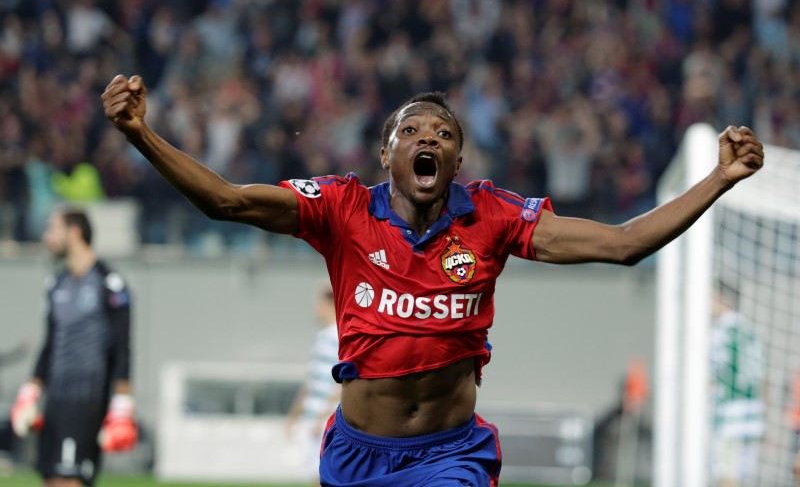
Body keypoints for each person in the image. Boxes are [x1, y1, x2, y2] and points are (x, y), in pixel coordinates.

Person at [102, 74, 764, 486]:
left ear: (455, 158)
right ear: (385, 153)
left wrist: (719, 179)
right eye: (410, 129)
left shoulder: (495, 217)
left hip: (451, 457)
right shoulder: (341, 208)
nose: (428, 137)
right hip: (357, 457)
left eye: (442, 132)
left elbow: (622, 245)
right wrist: (139, 134)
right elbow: (226, 200)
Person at [10, 207, 137, 487]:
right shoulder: (56, 284)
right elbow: (50, 343)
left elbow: (122, 347)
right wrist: (31, 391)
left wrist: (122, 404)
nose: (47, 237)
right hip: (55, 399)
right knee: (50, 480)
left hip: (87, 399)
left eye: (53, 229)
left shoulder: (109, 283)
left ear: (75, 232)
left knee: (70, 481)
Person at [709, 283, 766, 487]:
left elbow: (711, 375)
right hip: (752, 416)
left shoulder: (721, 333)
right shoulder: (751, 332)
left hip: (728, 415)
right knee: (741, 478)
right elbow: (763, 378)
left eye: (711, 297)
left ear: (724, 300)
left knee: (727, 476)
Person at [285, 283, 340, 487]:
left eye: (317, 302)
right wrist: (294, 416)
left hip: (325, 419)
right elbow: (311, 381)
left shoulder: (339, 336)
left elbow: (342, 382)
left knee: (323, 476)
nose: (314, 308)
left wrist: (323, 415)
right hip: (312, 418)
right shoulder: (322, 337)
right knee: (314, 475)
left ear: (328, 303)